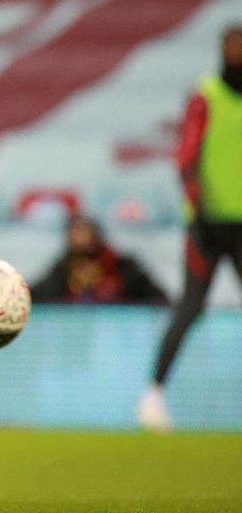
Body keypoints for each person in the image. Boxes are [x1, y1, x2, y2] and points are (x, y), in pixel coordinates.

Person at [138, 23, 242, 433]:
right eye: (232, 45)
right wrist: (196, 206)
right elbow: (186, 153)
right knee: (191, 306)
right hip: (207, 223)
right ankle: (153, 394)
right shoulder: (206, 95)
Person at [30, 214, 168, 305]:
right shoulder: (62, 270)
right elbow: (35, 294)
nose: (80, 237)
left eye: (84, 231)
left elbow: (160, 299)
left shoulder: (123, 267)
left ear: (97, 235)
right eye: (76, 232)